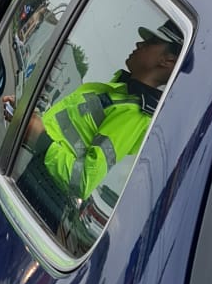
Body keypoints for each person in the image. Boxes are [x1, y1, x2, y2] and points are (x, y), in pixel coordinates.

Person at [16, 21, 183, 203]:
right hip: (33, 172)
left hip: (43, 192)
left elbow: (83, 181)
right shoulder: (118, 93)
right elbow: (65, 129)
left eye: (150, 42)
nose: (139, 44)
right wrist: (28, 118)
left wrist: (40, 138)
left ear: (168, 61)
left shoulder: (134, 114)